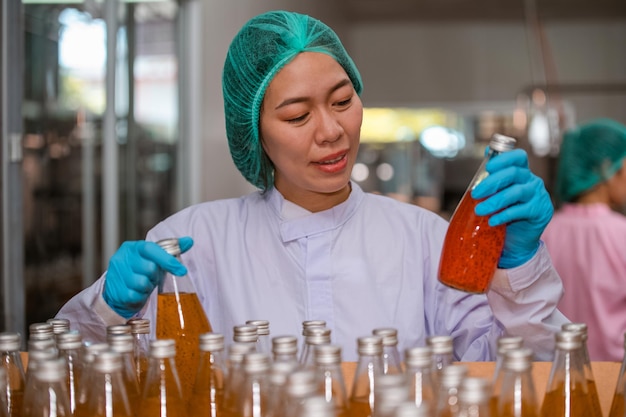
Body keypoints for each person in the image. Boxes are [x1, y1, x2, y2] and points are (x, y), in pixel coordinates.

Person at [56, 9, 567, 361]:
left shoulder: (424, 240)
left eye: (343, 101)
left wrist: (519, 271)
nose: (331, 130)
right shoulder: (193, 243)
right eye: (298, 115)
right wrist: (106, 309)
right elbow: (71, 376)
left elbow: (524, 368)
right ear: (253, 135)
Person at [542, 118, 626, 361]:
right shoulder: (621, 233)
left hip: (558, 373)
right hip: (617, 377)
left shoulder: (544, 232)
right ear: (607, 170)